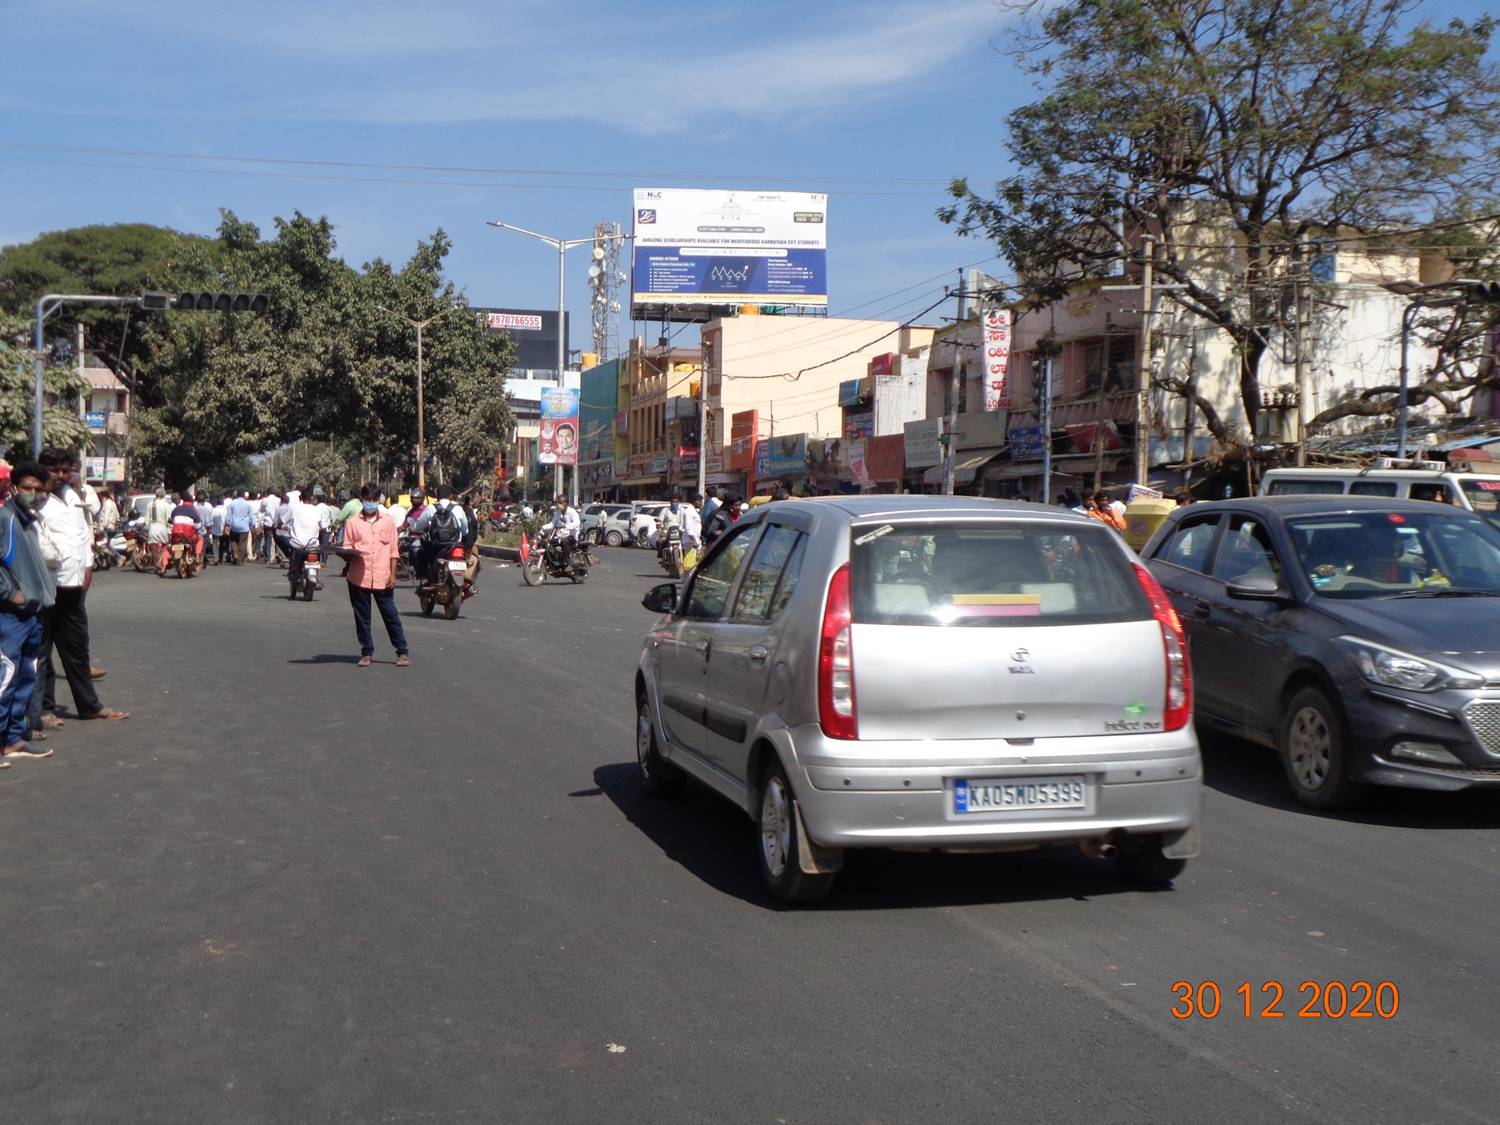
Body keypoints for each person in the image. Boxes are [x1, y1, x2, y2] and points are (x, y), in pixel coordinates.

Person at [32, 451, 127, 728]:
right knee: (42, 652)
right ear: (42, 469)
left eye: (65, 470)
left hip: (74, 586)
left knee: (76, 649)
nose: (59, 475)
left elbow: (83, 535)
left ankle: (89, 706)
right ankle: (43, 709)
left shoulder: (75, 496)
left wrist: (87, 570)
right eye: (53, 469)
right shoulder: (36, 500)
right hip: (46, 587)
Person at [0, 462, 58, 763]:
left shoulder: (29, 522)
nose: (33, 494)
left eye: (38, 489)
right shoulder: (4, 519)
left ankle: (12, 740)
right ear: (14, 488)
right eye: (27, 488)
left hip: (33, 614)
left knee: (25, 677)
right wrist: (10, 594)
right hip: (10, 615)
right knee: (5, 678)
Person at [342, 483, 410, 668]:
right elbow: (347, 547)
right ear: (362, 500)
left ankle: (402, 651)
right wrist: (346, 554)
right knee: (362, 618)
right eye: (367, 500)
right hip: (358, 577)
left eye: (373, 499)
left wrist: (393, 574)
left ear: (378, 500)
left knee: (390, 615)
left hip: (383, 576)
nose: (370, 503)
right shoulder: (353, 522)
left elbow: (393, 550)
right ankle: (367, 652)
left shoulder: (387, 521)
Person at [409, 483, 468, 580]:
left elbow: (419, 526)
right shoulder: (458, 509)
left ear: (437, 495)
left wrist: (414, 529)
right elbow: (465, 530)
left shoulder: (431, 508)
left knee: (417, 550)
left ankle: (423, 576)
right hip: (455, 545)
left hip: (436, 546)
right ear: (451, 496)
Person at [283, 487, 329, 589]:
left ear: (301, 498)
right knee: (314, 558)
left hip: (297, 543)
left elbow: (285, 521)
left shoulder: (294, 508)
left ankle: (294, 571)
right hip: (312, 544)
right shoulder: (317, 510)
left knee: (294, 555)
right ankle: (315, 578)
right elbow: (323, 526)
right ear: (311, 498)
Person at [549, 494, 580, 568]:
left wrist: (567, 526)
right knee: (548, 541)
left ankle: (568, 562)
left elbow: (577, 523)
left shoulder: (572, 512)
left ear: (566, 503)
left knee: (564, 541)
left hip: (572, 536)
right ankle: (555, 560)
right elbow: (552, 524)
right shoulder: (558, 513)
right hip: (560, 535)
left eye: (560, 502)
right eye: (557, 503)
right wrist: (542, 527)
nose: (558, 504)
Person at [224, 490, 254, 564]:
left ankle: (235, 555)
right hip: (244, 526)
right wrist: (252, 525)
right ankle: (240, 559)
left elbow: (228, 516)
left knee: (234, 541)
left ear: (236, 495)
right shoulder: (248, 504)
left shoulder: (232, 503)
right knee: (243, 543)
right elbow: (251, 517)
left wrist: (227, 524)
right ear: (244, 495)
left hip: (234, 526)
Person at [146, 486, 172, 570]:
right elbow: (168, 519)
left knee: (153, 546)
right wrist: (170, 527)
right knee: (165, 545)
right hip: (162, 527)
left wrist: (148, 527)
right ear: (163, 495)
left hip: (152, 527)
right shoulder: (166, 505)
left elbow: (147, 519)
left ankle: (156, 563)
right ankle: (160, 561)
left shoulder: (150, 504)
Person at [259, 491, 281, 564]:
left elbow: (261, 510)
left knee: (267, 540)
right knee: (277, 540)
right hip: (276, 523)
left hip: (267, 523)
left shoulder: (265, 500)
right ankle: (277, 555)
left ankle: (268, 558)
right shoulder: (279, 500)